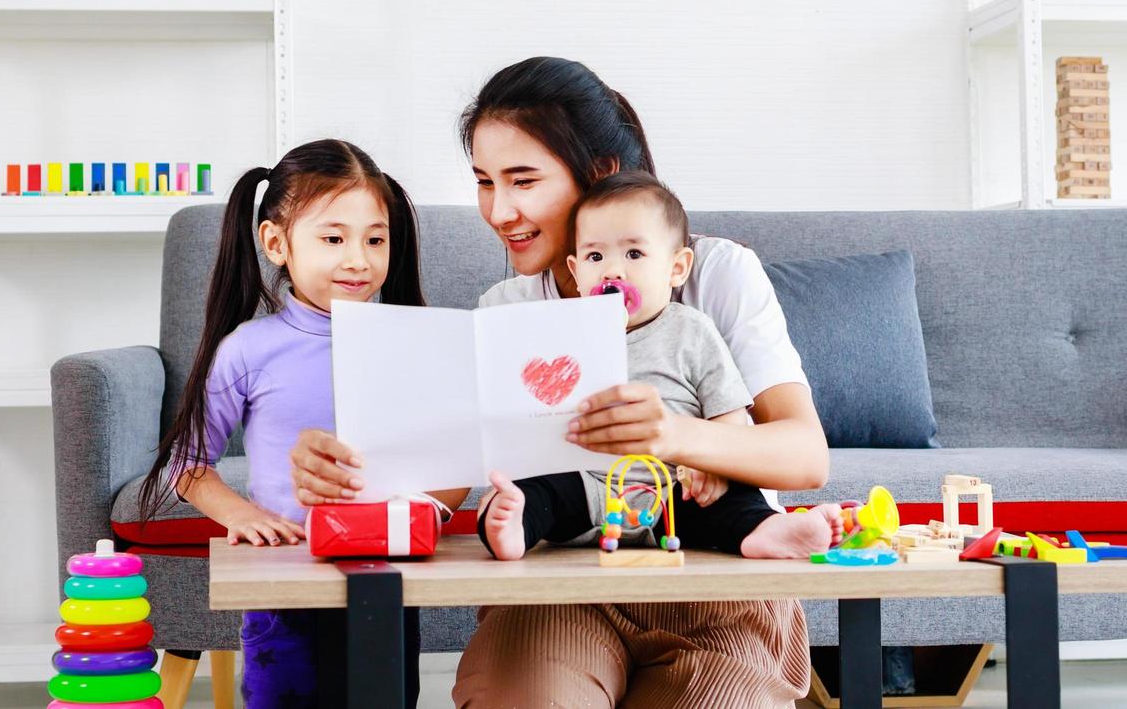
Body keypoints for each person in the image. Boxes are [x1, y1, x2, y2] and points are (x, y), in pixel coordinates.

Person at [291, 58, 831, 708]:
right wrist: (341, 477)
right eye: (485, 182)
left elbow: (805, 456)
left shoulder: (715, 272)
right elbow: (436, 481)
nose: (499, 210)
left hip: (714, 587)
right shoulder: (505, 308)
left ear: (599, 173)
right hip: (555, 590)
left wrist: (676, 435)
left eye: (523, 180)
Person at [137, 139, 449, 709]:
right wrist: (243, 515)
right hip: (287, 581)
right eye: (333, 238)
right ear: (277, 243)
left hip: (385, 575)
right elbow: (186, 462)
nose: (359, 259)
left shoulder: (407, 340)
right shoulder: (250, 350)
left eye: (375, 239)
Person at [480, 170, 842, 563]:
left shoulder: (691, 330)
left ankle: (765, 531)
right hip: (586, 487)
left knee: (731, 498)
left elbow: (729, 412)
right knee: (526, 489)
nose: (613, 271)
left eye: (634, 254)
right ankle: (513, 528)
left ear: (677, 268)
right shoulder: (563, 331)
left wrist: (711, 463)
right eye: (595, 257)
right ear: (575, 270)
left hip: (672, 486)